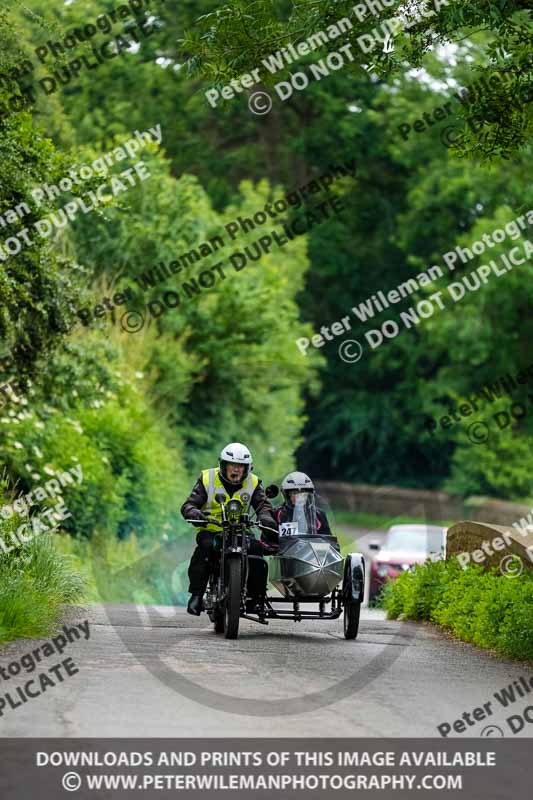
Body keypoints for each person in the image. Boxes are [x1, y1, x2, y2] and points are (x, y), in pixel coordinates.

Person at [181, 442, 277, 616]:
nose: (236, 470)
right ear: (223, 465)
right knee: (205, 549)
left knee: (256, 549)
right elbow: (189, 504)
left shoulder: (254, 483)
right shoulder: (207, 478)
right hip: (212, 529)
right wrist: (195, 514)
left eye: (241, 467)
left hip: (241, 530)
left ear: (247, 469)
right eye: (232, 465)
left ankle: (256, 599)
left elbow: (263, 506)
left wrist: (266, 518)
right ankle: (196, 595)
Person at [275, 471, 333, 537]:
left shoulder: (319, 514)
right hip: (286, 547)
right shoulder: (277, 513)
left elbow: (328, 540)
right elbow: (268, 541)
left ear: (308, 495)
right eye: (295, 493)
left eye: (304, 494)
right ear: (288, 495)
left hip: (310, 547)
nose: (300, 498)